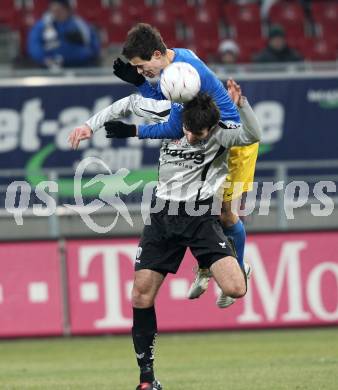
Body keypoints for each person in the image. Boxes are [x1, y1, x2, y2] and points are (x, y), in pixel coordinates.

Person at [68, 83, 261, 390]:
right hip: (162, 217)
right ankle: (147, 379)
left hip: (201, 218)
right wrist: (89, 125)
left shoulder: (224, 132)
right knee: (140, 295)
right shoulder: (173, 115)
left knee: (236, 289)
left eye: (198, 134)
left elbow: (252, 135)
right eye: (186, 130)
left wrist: (243, 105)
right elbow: (128, 103)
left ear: (211, 128)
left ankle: (238, 267)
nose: (189, 136)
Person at [112, 23, 257, 307]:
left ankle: (236, 271)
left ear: (156, 54)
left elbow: (174, 125)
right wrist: (141, 83)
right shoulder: (178, 61)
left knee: (225, 213)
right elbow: (172, 107)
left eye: (142, 67)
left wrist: (137, 108)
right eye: (139, 70)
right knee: (204, 208)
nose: (142, 73)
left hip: (232, 141)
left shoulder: (185, 73)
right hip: (210, 140)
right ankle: (208, 267)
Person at [27, 0, 100, 68]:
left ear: (67, 10)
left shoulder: (79, 24)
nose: (57, 13)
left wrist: (86, 53)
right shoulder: (42, 26)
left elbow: (93, 46)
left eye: (60, 10)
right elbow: (34, 46)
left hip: (80, 67)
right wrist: (44, 59)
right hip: (51, 69)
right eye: (54, 10)